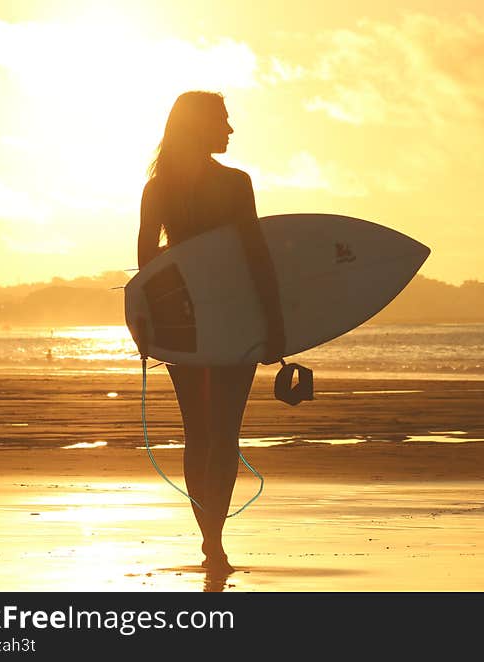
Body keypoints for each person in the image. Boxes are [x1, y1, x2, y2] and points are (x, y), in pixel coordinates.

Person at [137, 91, 286, 576]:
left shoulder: (158, 188)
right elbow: (255, 256)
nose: (230, 129)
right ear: (200, 125)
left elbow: (146, 266)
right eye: (223, 120)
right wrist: (276, 326)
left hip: (185, 325)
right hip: (235, 319)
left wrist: (155, 327)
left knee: (198, 435)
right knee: (223, 435)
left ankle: (211, 540)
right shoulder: (235, 183)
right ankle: (214, 542)